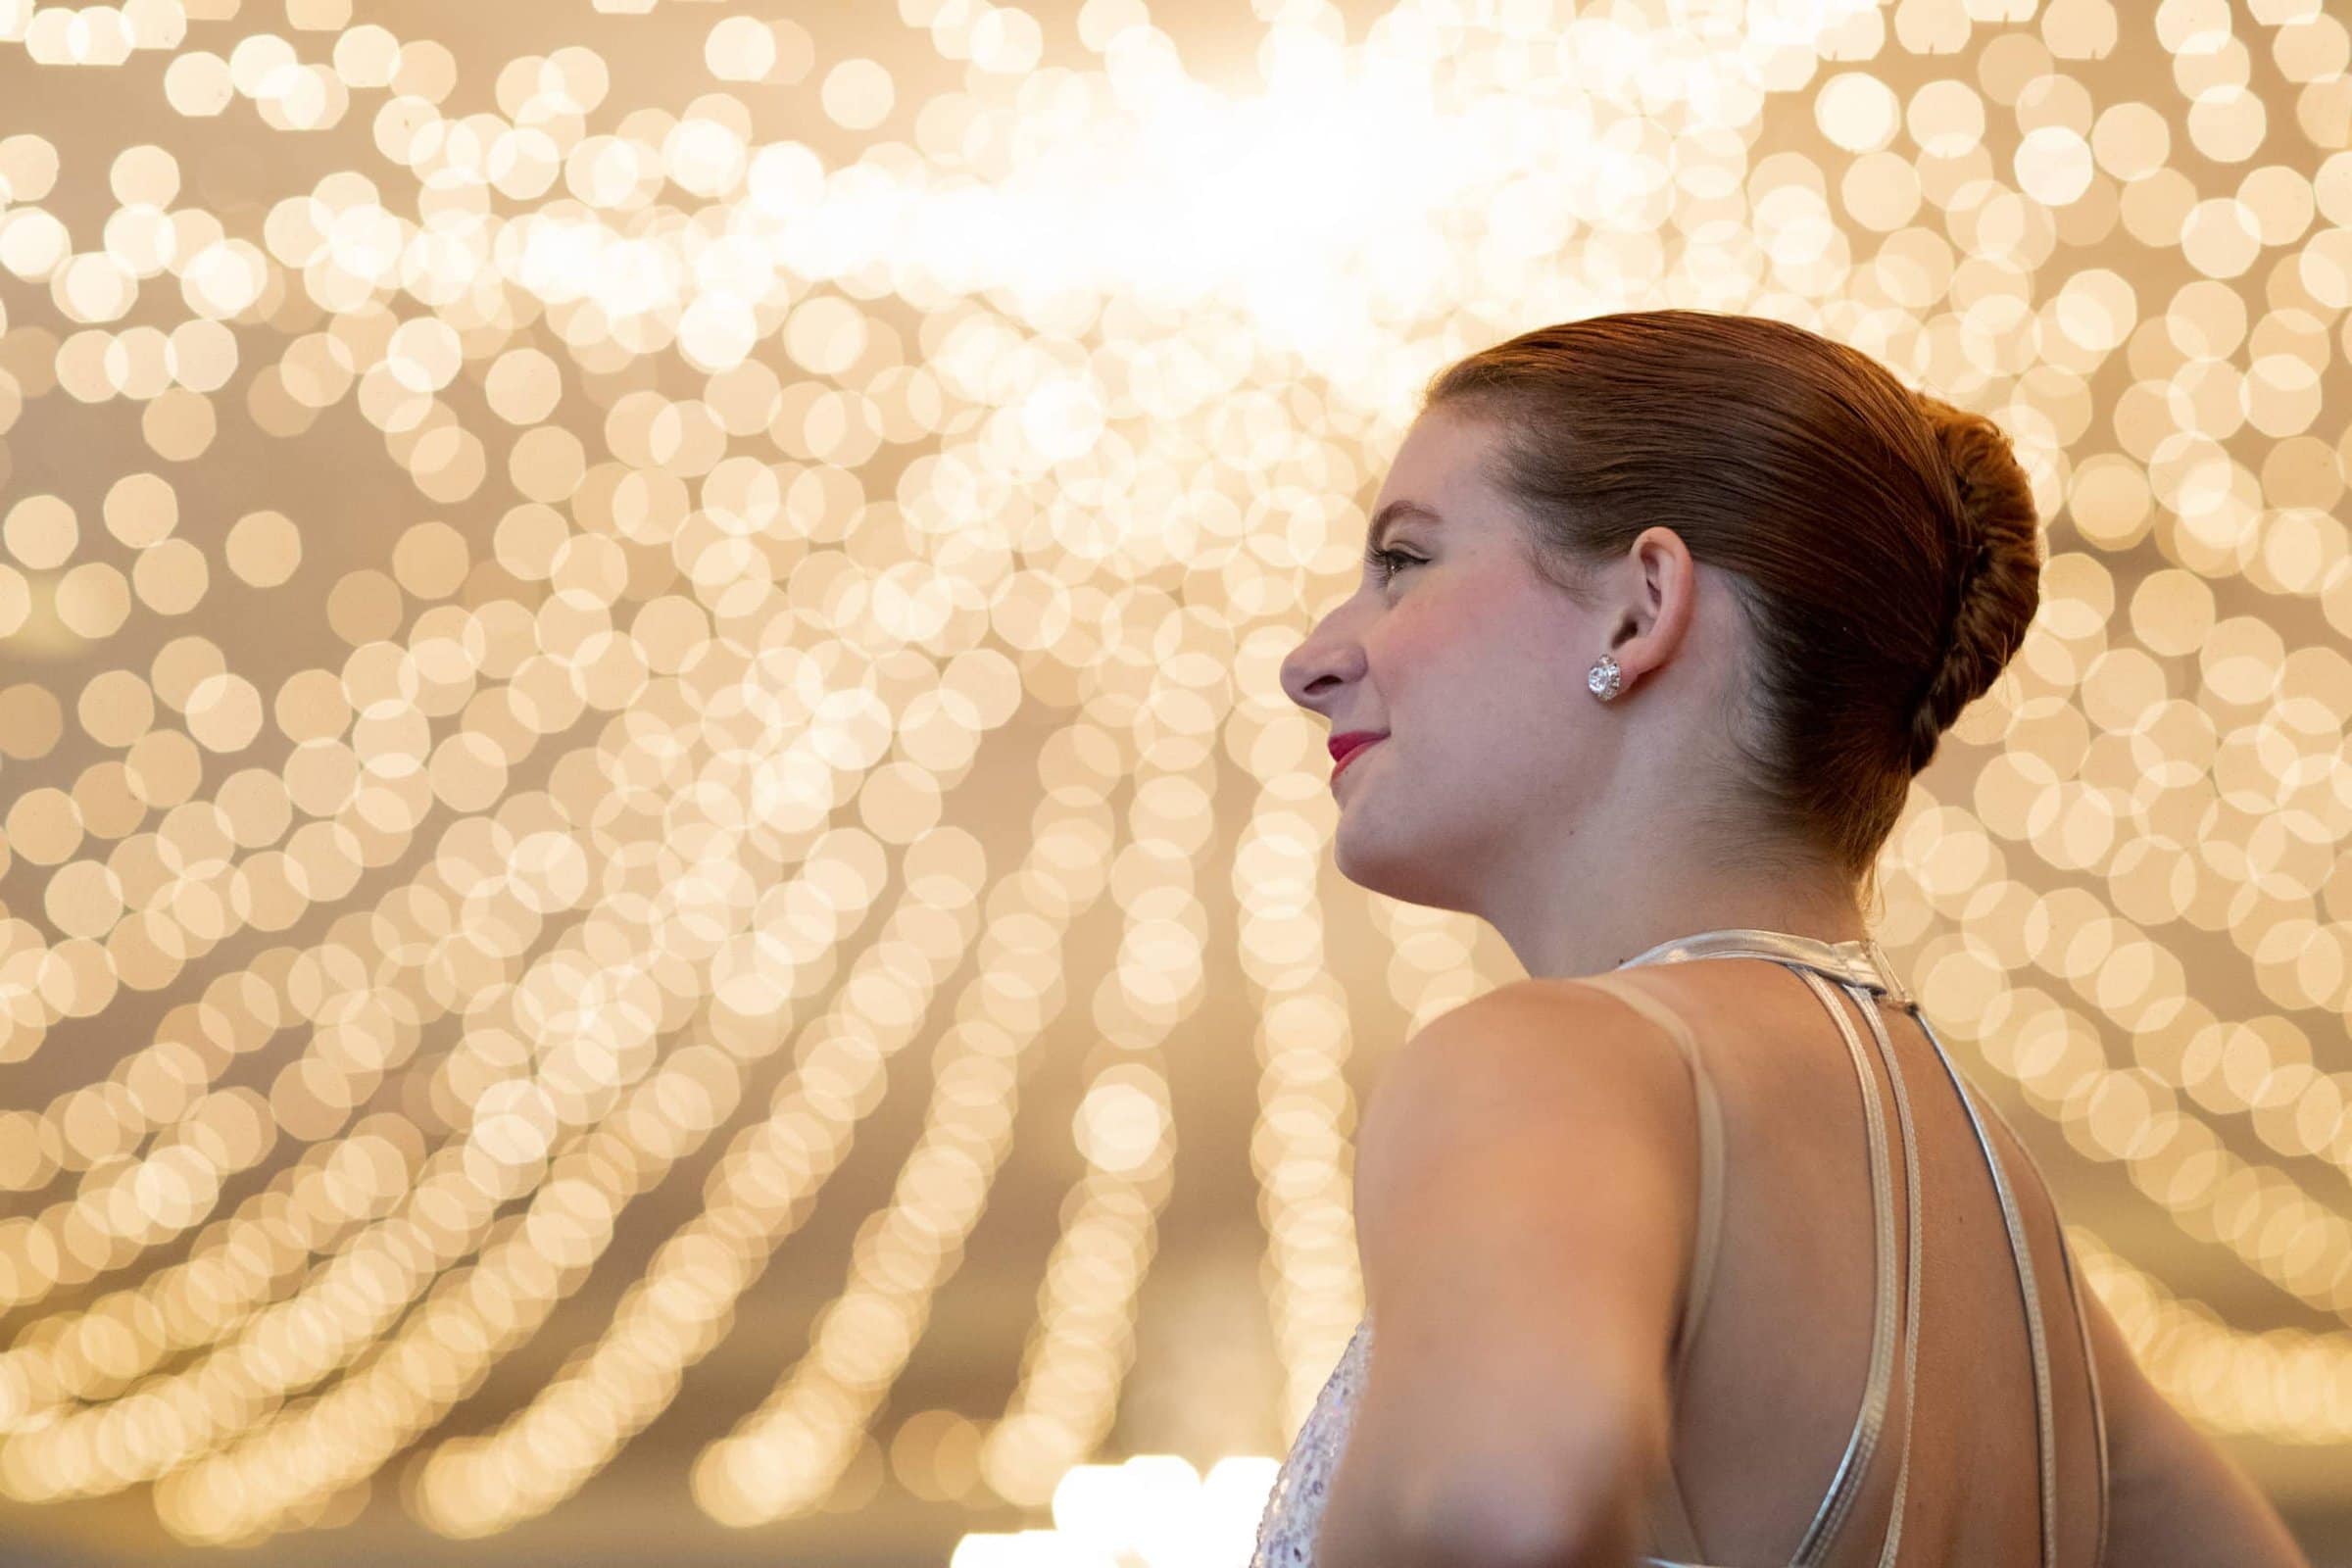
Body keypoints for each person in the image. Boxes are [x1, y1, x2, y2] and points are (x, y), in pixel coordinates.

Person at [1262, 310, 2312, 1568]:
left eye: (1403, 559)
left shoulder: (1549, 1064)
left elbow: (1507, 1506)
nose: (1311, 660)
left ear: (1641, 608)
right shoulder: (2013, 1254)